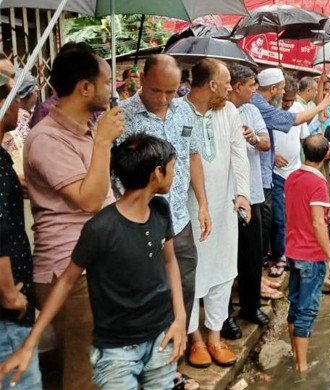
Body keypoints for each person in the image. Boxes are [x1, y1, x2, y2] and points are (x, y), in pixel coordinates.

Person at [1, 134, 188, 389]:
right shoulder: (100, 228)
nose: (175, 174)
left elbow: (169, 262)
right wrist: (30, 343)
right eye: (173, 168)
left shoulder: (161, 210)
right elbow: (66, 282)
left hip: (162, 338)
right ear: (157, 173)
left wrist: (179, 319)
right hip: (116, 351)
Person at [23, 45, 123, 390]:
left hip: (96, 263)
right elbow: (90, 199)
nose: (112, 90)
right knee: (83, 372)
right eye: (107, 82)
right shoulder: (46, 139)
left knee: (99, 363)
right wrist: (104, 144)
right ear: (85, 88)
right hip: (68, 269)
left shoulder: (89, 129)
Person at [120, 55, 210, 385]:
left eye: (171, 91)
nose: (163, 99)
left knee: (183, 287)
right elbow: (112, 172)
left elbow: (193, 156)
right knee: (146, 294)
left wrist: (202, 203)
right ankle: (149, 367)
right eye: (156, 90)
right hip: (140, 223)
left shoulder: (184, 109)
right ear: (141, 78)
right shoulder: (123, 116)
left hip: (180, 219)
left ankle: (173, 361)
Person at [182, 58, 251, 368]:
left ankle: (214, 336)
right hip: (189, 210)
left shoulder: (230, 112)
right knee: (191, 275)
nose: (228, 89)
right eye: (225, 83)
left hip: (223, 207)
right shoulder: (179, 112)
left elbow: (239, 153)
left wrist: (243, 194)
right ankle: (194, 339)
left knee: (223, 271)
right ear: (210, 85)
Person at [251, 68, 330, 276]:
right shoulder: (260, 106)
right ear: (273, 89)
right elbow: (294, 120)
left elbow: (303, 134)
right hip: (271, 174)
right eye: (281, 91)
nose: (284, 97)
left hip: (292, 171)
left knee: (287, 217)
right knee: (274, 220)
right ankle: (276, 258)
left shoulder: (274, 105)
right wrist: (322, 104)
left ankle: (282, 255)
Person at [0, 66, 42, 390]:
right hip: (8, 315)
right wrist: (12, 297)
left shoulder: (2, 161)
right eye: (12, 98)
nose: (19, 107)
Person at [227, 64, 278, 330]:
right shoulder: (220, 111)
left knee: (251, 253)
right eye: (251, 85)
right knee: (226, 256)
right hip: (226, 195)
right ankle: (224, 317)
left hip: (253, 193)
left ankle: (250, 307)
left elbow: (266, 143)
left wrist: (253, 138)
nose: (255, 90)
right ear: (237, 86)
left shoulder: (252, 110)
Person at [284, 134, 330, 372]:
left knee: (294, 306)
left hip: (293, 251)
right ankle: (303, 369)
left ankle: (296, 357)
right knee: (306, 311)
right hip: (310, 255)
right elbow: (318, 223)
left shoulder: (292, 178)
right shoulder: (317, 183)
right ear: (326, 154)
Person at [270, 78, 311, 278]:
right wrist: (271, 156)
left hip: (295, 171)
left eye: (290, 100)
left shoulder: (297, 109)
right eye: (285, 99)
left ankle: (295, 250)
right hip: (276, 173)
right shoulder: (270, 111)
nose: (287, 104)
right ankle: (280, 255)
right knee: (278, 217)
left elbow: (304, 138)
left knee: (295, 215)